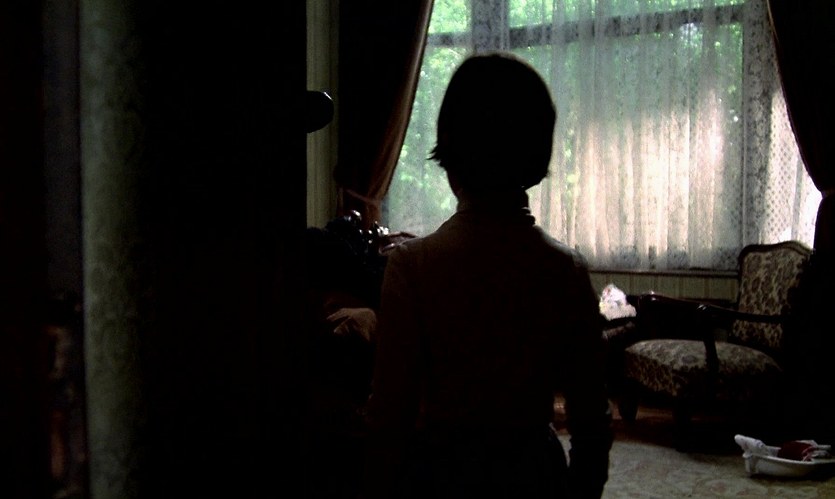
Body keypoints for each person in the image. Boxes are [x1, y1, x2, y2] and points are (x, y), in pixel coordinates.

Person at [361, 52, 613, 499]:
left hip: (440, 476)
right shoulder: (565, 269)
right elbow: (591, 418)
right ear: (536, 153)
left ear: (450, 155)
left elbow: (389, 416)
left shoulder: (411, 265)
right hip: (534, 475)